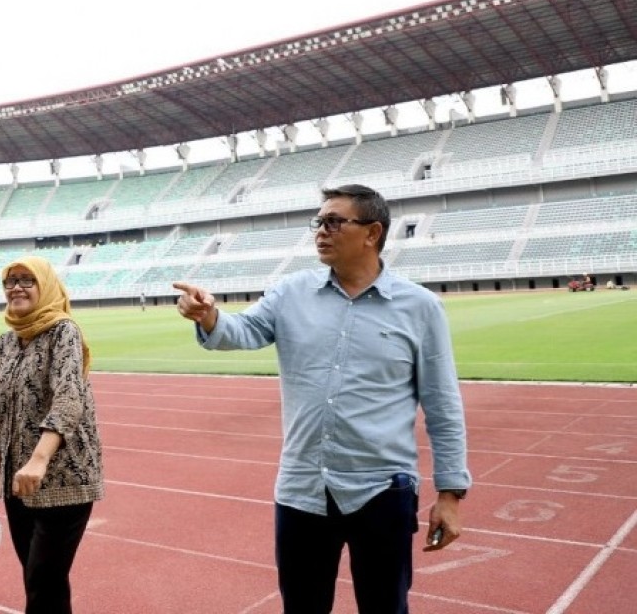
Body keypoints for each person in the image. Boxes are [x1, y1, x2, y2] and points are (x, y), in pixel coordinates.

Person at [174, 184, 471, 614]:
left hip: (382, 489)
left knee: (385, 607)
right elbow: (242, 331)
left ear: (372, 233)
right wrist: (209, 316)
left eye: (334, 222)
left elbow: (443, 405)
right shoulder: (290, 292)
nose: (321, 231)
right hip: (303, 489)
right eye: (319, 222)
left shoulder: (420, 307)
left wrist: (450, 494)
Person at [0, 255, 103, 614]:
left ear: (44, 285)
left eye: (26, 280)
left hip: (65, 478)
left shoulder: (64, 331)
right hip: (19, 481)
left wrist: (39, 459)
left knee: (43, 580)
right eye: (10, 281)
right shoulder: (4, 343)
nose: (16, 287)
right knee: (41, 581)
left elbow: (68, 399)